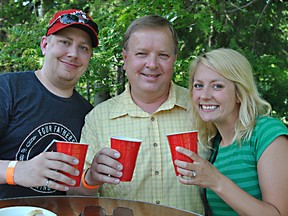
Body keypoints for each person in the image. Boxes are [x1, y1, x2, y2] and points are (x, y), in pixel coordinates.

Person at [74, 15, 208, 215]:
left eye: (163, 55)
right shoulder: (98, 118)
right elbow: (74, 195)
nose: (152, 64)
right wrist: (91, 178)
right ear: (125, 58)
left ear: (174, 60)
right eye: (142, 53)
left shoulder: (201, 107)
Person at [174, 48, 288, 215]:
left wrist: (217, 181)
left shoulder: (267, 134)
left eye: (217, 86)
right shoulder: (214, 144)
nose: (204, 95)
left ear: (239, 94)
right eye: (198, 85)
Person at [0, 9, 99, 198]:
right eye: (65, 42)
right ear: (45, 45)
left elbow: (78, 190)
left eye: (83, 47)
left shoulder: (88, 114)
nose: (73, 54)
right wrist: (17, 170)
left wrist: (91, 178)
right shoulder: (8, 89)